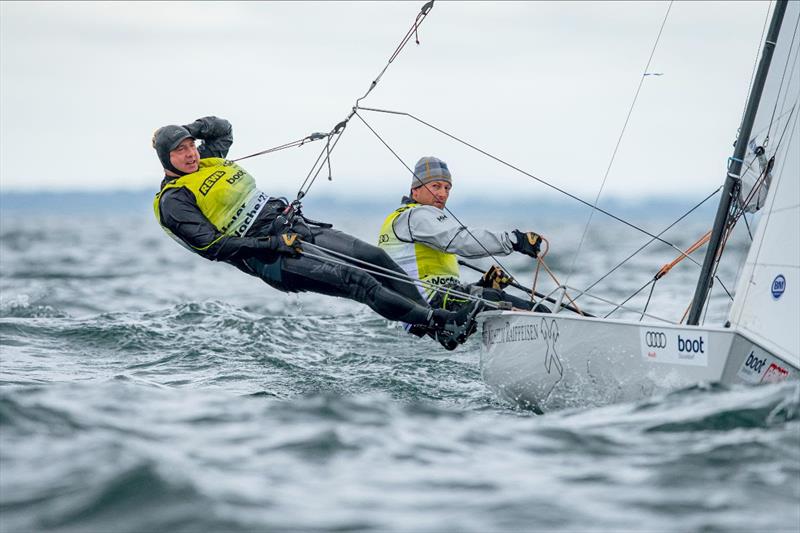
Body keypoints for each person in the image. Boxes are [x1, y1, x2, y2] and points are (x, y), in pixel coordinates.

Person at [152, 116, 473, 340]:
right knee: (356, 280)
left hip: (295, 227)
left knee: (373, 257)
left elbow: (223, 129)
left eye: (191, 145)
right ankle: (438, 323)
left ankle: (427, 324)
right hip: (271, 258)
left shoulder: (207, 160)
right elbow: (214, 247)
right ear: (166, 158)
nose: (190, 153)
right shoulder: (174, 201)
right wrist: (271, 245)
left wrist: (187, 129)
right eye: (180, 150)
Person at [377, 156, 548, 348]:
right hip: (431, 304)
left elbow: (432, 276)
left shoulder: (406, 219)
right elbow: (461, 240)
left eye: (447, 188)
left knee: (498, 297)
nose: (442, 194)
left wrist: (482, 285)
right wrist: (513, 240)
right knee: (540, 312)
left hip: (425, 306)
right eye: (436, 186)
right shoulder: (417, 215)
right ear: (415, 190)